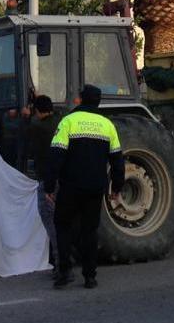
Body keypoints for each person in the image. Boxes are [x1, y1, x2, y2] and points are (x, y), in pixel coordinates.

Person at [44, 85, 124, 289]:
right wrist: (117, 187)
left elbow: (56, 156)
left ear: (80, 99)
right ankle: (90, 276)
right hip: (95, 188)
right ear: (98, 102)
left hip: (71, 186)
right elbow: (117, 160)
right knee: (90, 230)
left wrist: (49, 186)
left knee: (62, 226)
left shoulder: (68, 121)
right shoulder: (107, 125)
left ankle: (64, 273)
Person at [26, 95, 61, 273]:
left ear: (38, 112)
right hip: (64, 178)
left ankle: (59, 261)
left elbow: (30, 129)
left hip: (48, 180)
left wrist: (26, 115)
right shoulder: (61, 121)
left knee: (49, 218)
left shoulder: (38, 127)